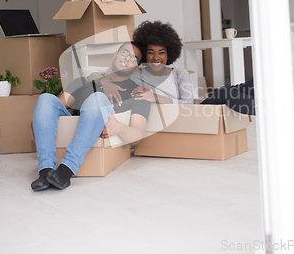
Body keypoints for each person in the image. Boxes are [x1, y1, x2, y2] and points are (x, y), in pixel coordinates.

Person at [31, 42, 150, 191]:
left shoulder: (137, 93)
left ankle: (66, 170)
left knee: (97, 98)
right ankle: (46, 171)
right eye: (125, 53)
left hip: (104, 131)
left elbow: (138, 135)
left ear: (136, 68)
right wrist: (40, 121)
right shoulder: (83, 82)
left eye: (134, 59)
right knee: (46, 98)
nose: (127, 59)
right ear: (115, 54)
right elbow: (52, 108)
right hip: (74, 127)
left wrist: (119, 127)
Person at [83, 20, 194, 105]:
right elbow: (88, 70)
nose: (156, 57)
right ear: (145, 54)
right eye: (151, 52)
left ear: (169, 54)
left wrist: (154, 97)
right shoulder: (135, 72)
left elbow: (189, 104)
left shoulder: (180, 74)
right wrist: (104, 82)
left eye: (161, 52)